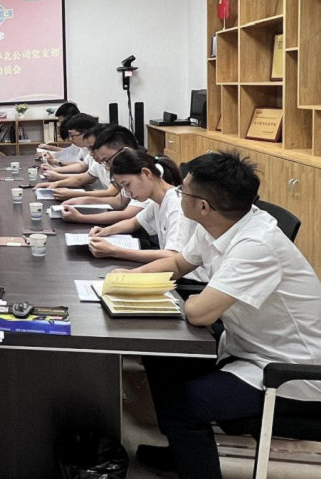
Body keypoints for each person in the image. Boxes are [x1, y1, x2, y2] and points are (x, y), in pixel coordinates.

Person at [125, 152, 321, 479]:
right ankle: (182, 451)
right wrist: (126, 279)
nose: (177, 194)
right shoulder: (219, 223)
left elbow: (199, 313)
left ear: (203, 205)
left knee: (185, 404)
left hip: (290, 371)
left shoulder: (256, 244)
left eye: (183, 191)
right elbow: (178, 264)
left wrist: (190, 299)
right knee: (162, 358)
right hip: (248, 347)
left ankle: (190, 458)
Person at [86, 150, 194, 263]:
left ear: (146, 173)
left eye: (127, 184)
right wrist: (104, 231)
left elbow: (172, 255)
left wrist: (114, 251)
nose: (127, 193)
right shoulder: (158, 202)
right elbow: (133, 222)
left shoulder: (177, 204)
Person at [39, 113, 97, 179]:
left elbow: (89, 177)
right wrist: (53, 169)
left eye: (72, 136)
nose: (70, 139)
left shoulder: (98, 150)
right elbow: (81, 166)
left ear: (85, 134)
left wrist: (58, 176)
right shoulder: (85, 148)